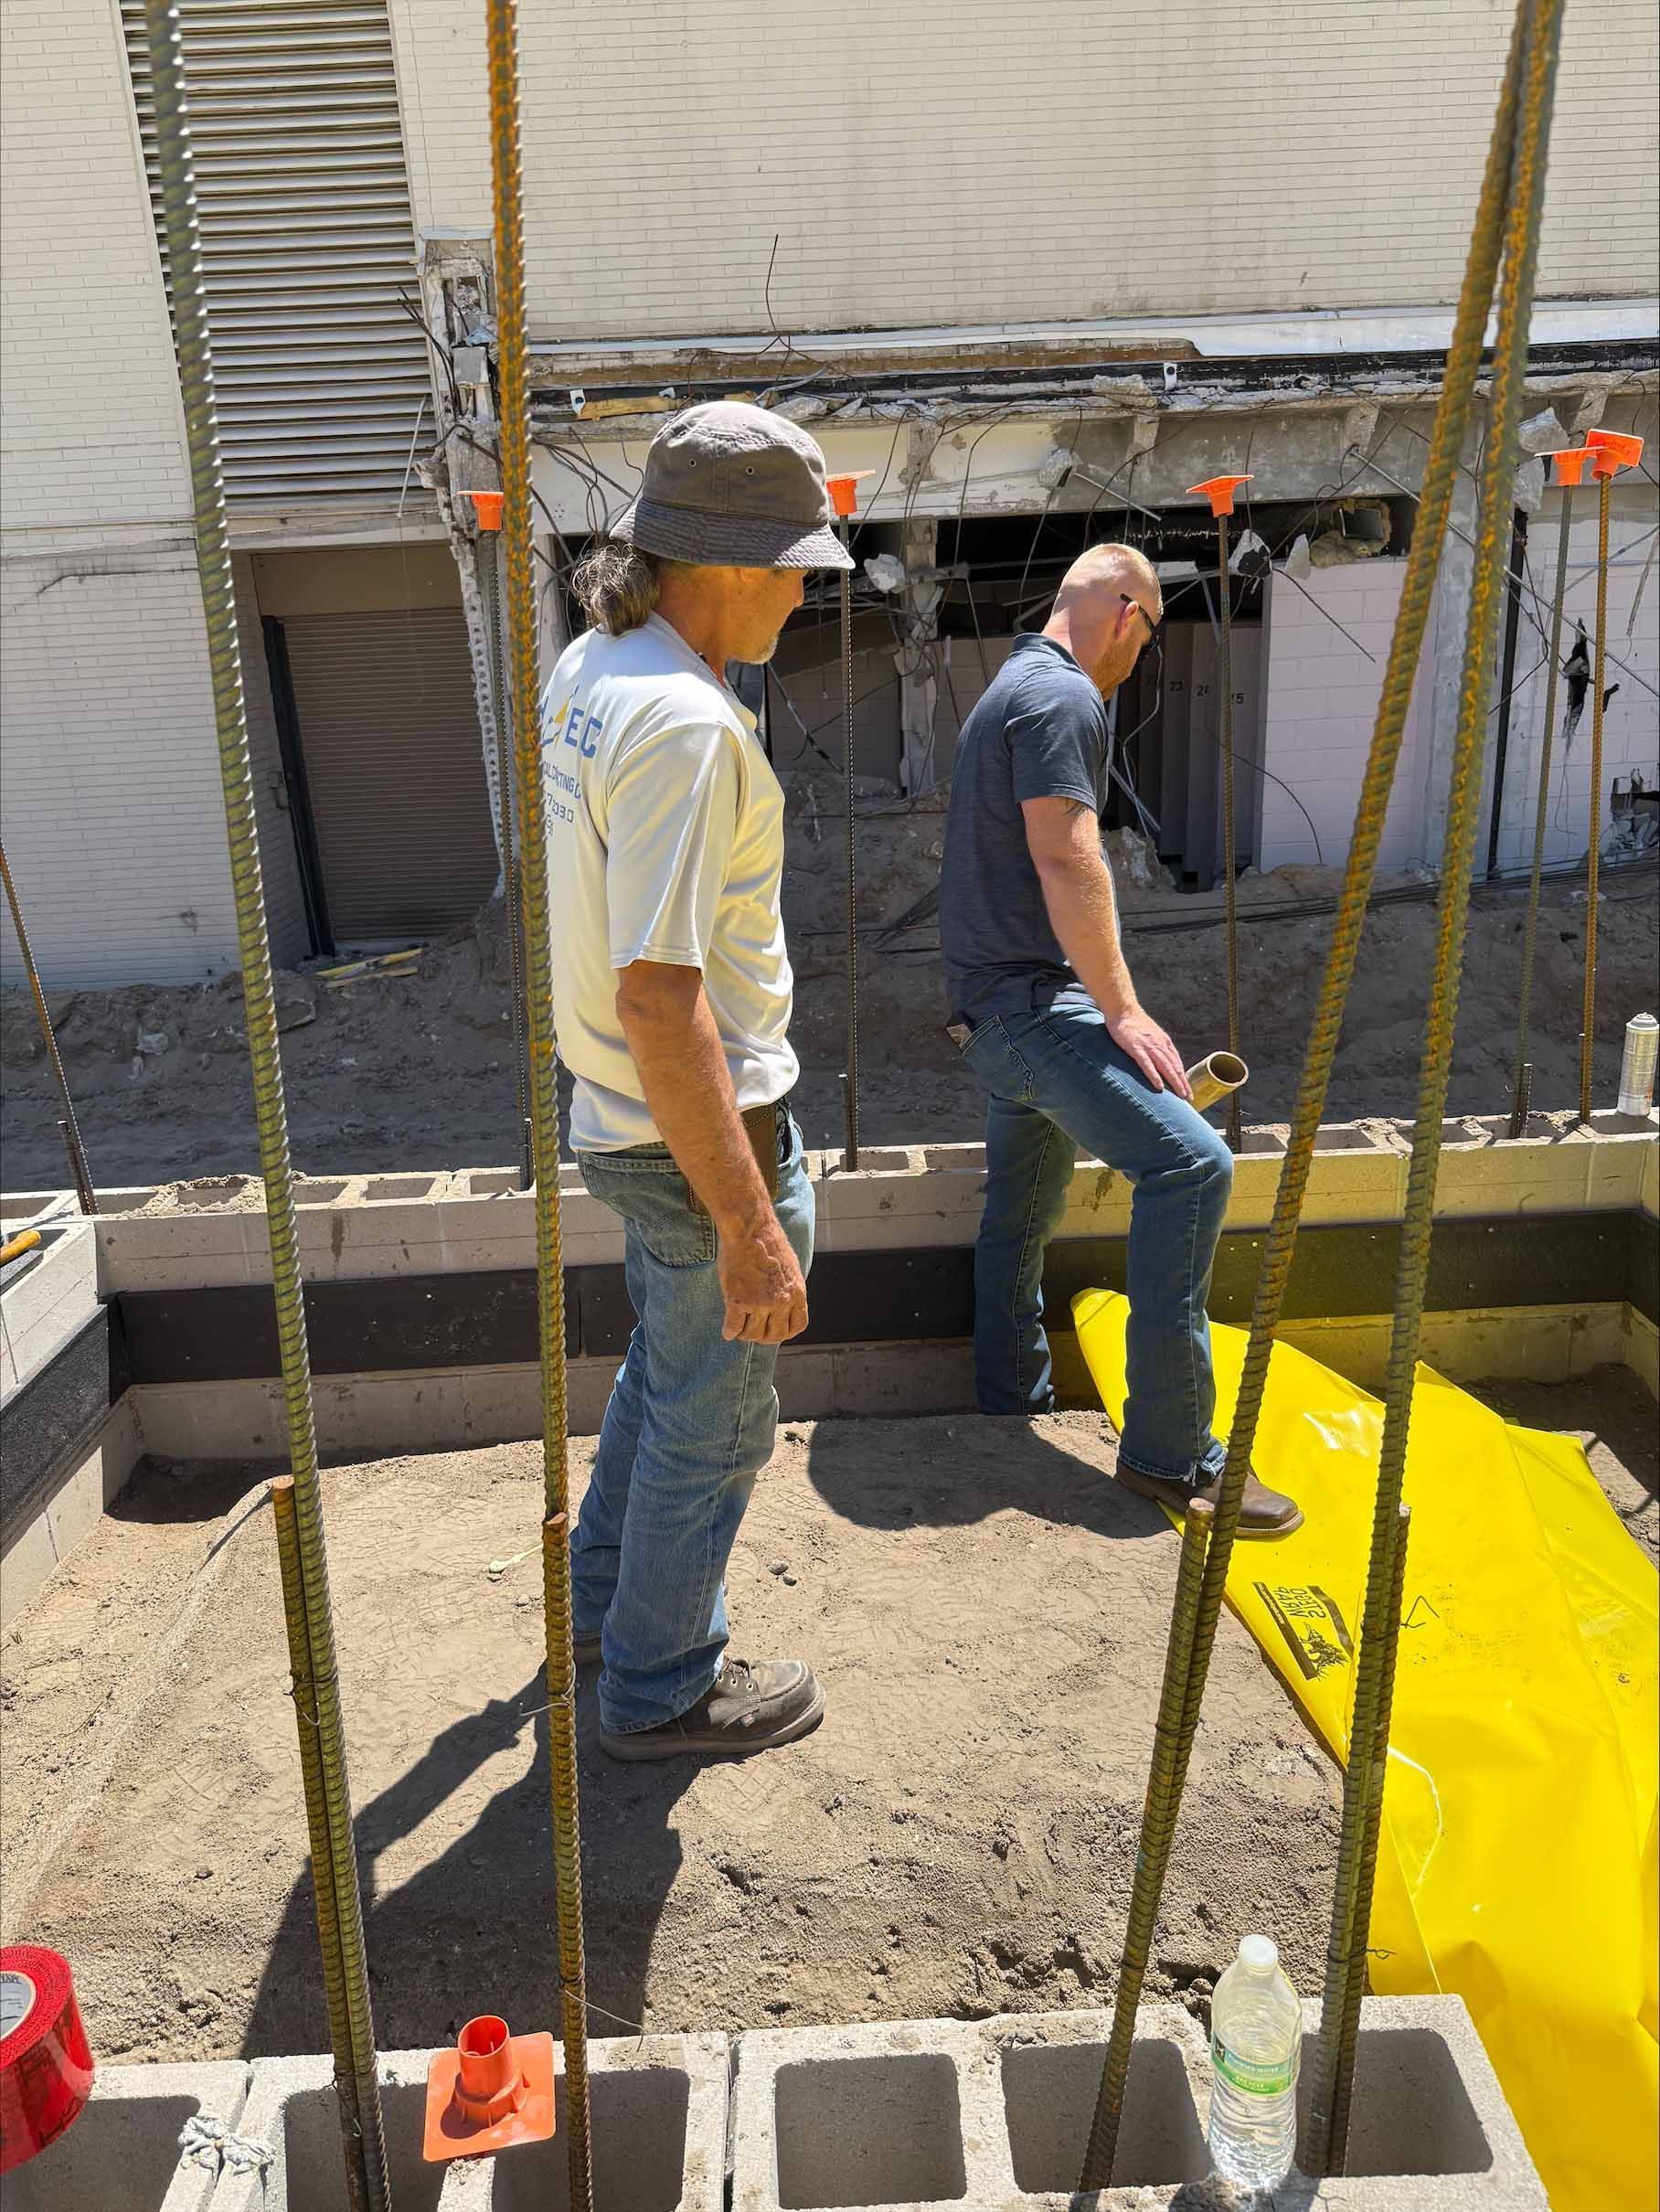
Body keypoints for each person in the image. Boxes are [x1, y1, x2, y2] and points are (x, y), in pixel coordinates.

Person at [544, 400, 854, 1759]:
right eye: (798, 564)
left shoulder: (596, 670)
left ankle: (606, 1609)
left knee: (667, 1378)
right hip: (690, 1132)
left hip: (621, 1122)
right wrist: (751, 1224)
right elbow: (662, 999)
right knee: (719, 1422)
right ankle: (663, 1682)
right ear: (730, 564)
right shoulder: (683, 725)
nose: (807, 588)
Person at [938, 544, 1301, 1534]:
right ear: (1126, 615)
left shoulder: (1008, 684)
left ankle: (1006, 1400)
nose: (1137, 661)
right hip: (1028, 1010)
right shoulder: (1062, 700)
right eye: (1144, 640)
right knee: (1191, 1167)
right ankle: (1172, 1456)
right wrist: (1124, 1010)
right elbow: (1066, 852)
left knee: (1020, 1210)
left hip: (990, 1009)